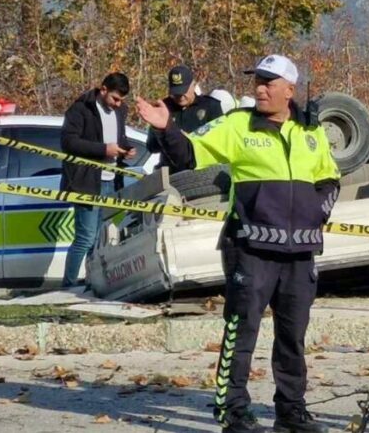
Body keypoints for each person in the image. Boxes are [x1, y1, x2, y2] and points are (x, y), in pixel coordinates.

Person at [136, 54, 339, 433]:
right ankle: (234, 412)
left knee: (293, 336)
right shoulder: (237, 126)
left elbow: (330, 179)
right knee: (240, 332)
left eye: (269, 82)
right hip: (250, 248)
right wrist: (167, 130)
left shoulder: (311, 133)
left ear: (289, 90)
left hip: (301, 253)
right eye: (257, 82)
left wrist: (316, 213)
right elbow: (189, 154)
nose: (260, 89)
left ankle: (291, 411)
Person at [60, 72, 136, 288]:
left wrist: (126, 149)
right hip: (87, 182)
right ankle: (69, 284)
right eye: (114, 98)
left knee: (100, 239)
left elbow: (119, 139)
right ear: (103, 90)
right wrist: (103, 149)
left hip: (112, 181)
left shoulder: (120, 110)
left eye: (122, 100)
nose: (118, 103)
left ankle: (91, 282)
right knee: (85, 237)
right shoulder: (80, 109)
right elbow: (68, 142)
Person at [146, 65, 226, 174]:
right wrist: (166, 134)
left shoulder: (210, 106)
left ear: (193, 85)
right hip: (170, 173)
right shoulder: (164, 108)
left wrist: (191, 140)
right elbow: (152, 147)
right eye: (176, 92)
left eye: (184, 91)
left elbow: (221, 143)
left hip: (202, 172)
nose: (180, 96)